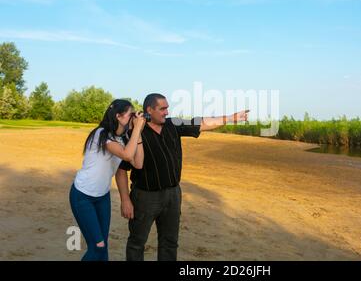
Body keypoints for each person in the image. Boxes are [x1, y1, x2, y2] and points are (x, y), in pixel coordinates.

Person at [115, 93, 249, 261]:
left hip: (173, 194)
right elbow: (121, 170)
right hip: (145, 197)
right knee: (137, 242)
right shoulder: (133, 133)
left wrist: (231, 118)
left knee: (170, 242)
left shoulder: (173, 124)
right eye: (162, 109)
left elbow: (202, 122)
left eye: (167, 108)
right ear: (149, 110)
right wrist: (125, 200)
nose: (166, 112)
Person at [69, 99, 146, 261]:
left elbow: (138, 163)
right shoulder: (101, 134)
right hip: (83, 196)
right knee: (98, 247)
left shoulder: (123, 138)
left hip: (102, 196)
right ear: (118, 116)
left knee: (103, 247)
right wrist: (138, 127)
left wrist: (136, 133)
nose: (133, 117)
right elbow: (126, 155)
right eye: (130, 114)